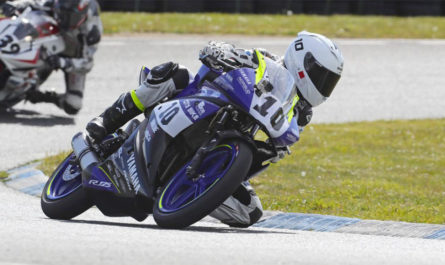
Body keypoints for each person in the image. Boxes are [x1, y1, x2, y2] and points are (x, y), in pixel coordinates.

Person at [86, 31, 344, 227]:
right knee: (175, 73)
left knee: (250, 212)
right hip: (200, 102)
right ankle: (107, 120)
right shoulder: (264, 60)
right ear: (304, 63)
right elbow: (219, 51)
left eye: (329, 82)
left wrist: (274, 151)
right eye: (322, 77)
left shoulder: (301, 112)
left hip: (230, 140)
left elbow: (281, 140)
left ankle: (188, 195)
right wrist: (221, 53)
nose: (324, 87)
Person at [1, 0, 103, 115]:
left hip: (73, 57)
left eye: (70, 16)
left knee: (73, 104)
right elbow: (34, 3)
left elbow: (86, 63)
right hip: (52, 42)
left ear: (83, 15)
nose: (65, 20)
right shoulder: (56, 3)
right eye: (62, 13)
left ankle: (44, 96)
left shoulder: (92, 32)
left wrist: (62, 62)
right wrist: (16, 6)